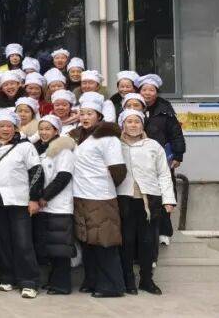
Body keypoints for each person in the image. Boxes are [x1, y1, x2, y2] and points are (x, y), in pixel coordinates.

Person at [70, 101, 128, 298]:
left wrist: (104, 185)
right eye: (82, 113)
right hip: (80, 195)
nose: (85, 117)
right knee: (88, 241)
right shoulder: (78, 136)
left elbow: (118, 170)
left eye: (90, 113)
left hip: (100, 197)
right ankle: (92, 280)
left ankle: (112, 286)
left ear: (99, 116)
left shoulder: (108, 138)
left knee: (104, 241)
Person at [117, 109, 176, 295]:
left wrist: (168, 199)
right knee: (126, 241)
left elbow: (164, 174)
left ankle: (146, 279)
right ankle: (128, 279)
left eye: (137, 121)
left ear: (143, 124)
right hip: (123, 199)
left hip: (149, 200)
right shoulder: (115, 145)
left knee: (148, 241)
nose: (133, 125)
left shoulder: (153, 145)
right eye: (129, 121)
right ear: (122, 124)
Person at [0, 109, 42, 299]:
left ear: (15, 128)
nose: (5, 129)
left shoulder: (25, 147)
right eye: (1, 126)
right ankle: (7, 277)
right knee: (2, 241)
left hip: (20, 201)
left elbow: (36, 172)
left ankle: (29, 281)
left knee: (23, 242)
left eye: (9, 126)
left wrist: (33, 198)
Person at [32, 115, 77, 295]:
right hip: (44, 205)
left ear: (56, 131)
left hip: (59, 206)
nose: (44, 132)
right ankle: (54, 281)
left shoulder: (64, 150)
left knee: (60, 248)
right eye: (41, 129)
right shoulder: (39, 149)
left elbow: (63, 177)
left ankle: (62, 285)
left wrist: (45, 196)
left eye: (48, 129)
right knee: (51, 246)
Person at [137, 74, 184, 245]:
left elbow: (176, 133)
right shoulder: (134, 106)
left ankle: (164, 231)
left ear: (156, 92)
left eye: (151, 90)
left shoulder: (165, 109)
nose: (147, 93)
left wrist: (178, 155)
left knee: (165, 192)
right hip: (139, 159)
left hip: (162, 158)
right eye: (144, 90)